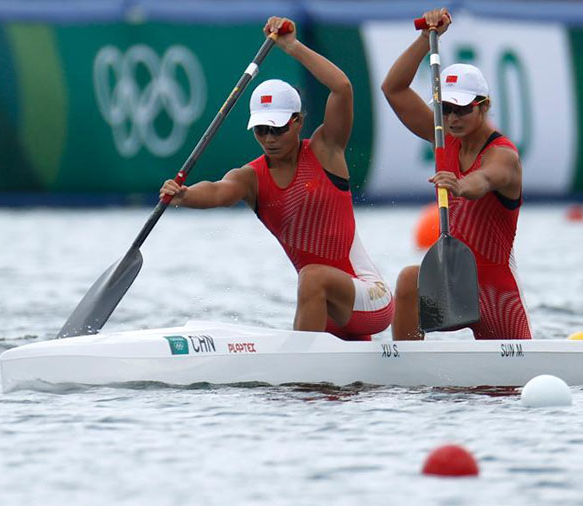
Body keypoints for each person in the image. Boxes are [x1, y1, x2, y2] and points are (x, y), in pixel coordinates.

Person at [160, 16, 392, 341]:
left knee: (311, 277)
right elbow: (217, 192)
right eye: (261, 130)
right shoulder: (250, 178)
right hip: (325, 310)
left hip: (370, 298)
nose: (269, 138)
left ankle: (297, 369)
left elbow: (342, 87)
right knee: (320, 389)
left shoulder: (327, 150)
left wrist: (293, 47)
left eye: (278, 128)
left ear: (297, 122)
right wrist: (183, 196)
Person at [381, 8, 531, 341]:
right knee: (408, 279)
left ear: (484, 106)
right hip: (451, 282)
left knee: (504, 391)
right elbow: (393, 89)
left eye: (462, 109)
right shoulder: (442, 137)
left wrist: (460, 185)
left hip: (495, 294)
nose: (452, 117)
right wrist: (425, 38)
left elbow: (486, 180)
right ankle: (409, 368)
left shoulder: (503, 155)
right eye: (445, 108)